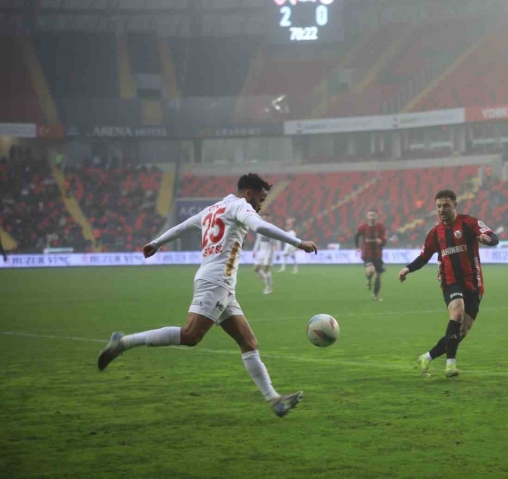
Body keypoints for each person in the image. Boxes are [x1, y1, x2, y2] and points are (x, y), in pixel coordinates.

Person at [97, 173, 318, 418]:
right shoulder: (240, 206)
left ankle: (275, 400)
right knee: (191, 335)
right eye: (260, 198)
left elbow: (183, 226)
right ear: (248, 192)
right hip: (216, 282)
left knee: (248, 342)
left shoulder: (214, 208)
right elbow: (260, 227)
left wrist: (157, 243)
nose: (260, 205)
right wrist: (298, 243)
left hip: (220, 284)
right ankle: (123, 343)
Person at [398, 190, 498, 378]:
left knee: (461, 331)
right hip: (450, 281)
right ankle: (450, 364)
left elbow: (493, 236)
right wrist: (407, 269)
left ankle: (426, 357)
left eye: (446, 205)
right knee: (457, 313)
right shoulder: (435, 234)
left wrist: (487, 240)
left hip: (474, 283)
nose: (442, 209)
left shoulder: (469, 223)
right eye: (438, 206)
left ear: (454, 205)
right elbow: (424, 257)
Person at [355, 209, 387, 301]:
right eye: (370, 215)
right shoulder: (363, 227)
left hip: (378, 255)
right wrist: (357, 247)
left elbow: (384, 240)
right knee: (371, 271)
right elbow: (356, 236)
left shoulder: (380, 227)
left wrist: (381, 241)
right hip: (367, 255)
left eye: (373, 215)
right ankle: (368, 279)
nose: (372, 217)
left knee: (378, 277)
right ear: (367, 217)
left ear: (376, 216)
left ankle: (375, 295)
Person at [253, 212, 277, 294]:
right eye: (263, 218)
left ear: (269, 219)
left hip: (269, 251)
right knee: (256, 269)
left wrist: (276, 253)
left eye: (266, 218)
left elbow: (276, 241)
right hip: (261, 251)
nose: (264, 219)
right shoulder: (259, 228)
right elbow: (258, 240)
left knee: (266, 270)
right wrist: (255, 250)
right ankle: (268, 280)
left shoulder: (272, 228)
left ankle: (268, 288)